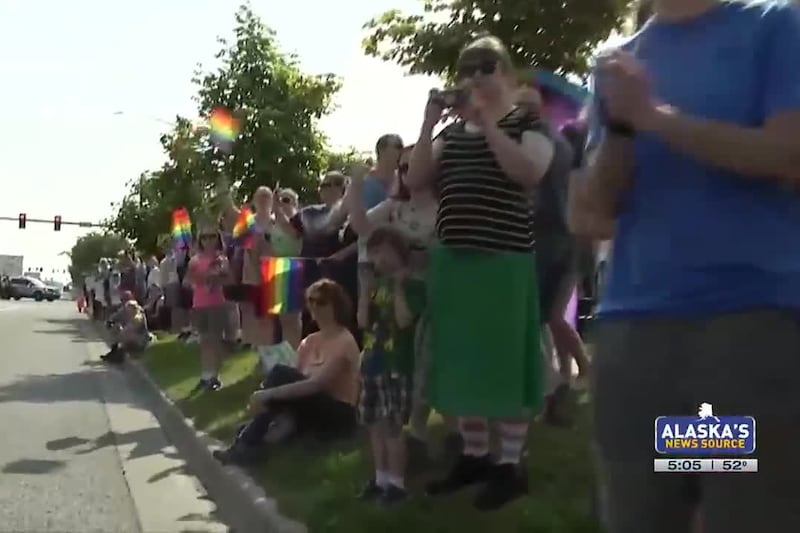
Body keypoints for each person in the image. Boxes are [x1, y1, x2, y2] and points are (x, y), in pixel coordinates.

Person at [570, 1, 800, 532]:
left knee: (739, 514)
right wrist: (624, 130)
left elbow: (788, 157)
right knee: (644, 517)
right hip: (637, 339)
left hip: (739, 334)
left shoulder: (773, 25)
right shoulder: (619, 63)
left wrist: (654, 117)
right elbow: (589, 215)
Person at [406, 34, 554, 510]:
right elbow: (415, 180)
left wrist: (488, 121)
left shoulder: (527, 121)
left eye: (485, 68)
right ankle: (474, 456)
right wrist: (430, 123)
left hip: (504, 260)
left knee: (505, 365)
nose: (474, 78)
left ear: (506, 73)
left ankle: (510, 466)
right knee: (462, 361)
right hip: (454, 260)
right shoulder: (453, 133)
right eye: (467, 70)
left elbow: (528, 172)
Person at [346, 150, 450, 466]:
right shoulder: (394, 207)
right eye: (402, 167)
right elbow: (361, 226)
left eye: (416, 165)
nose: (408, 171)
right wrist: (356, 185)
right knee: (404, 362)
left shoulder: (445, 209)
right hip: (396, 293)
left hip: (434, 293)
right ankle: (409, 439)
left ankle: (430, 436)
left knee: (429, 365)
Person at [212, 278, 360, 465]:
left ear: (336, 306)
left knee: (280, 374)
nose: (315, 307)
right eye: (311, 301)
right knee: (280, 379)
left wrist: (267, 394)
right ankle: (251, 443)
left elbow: (316, 385)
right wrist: (269, 398)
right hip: (312, 405)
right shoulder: (310, 341)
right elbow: (294, 382)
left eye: (322, 302)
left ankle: (246, 443)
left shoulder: (344, 340)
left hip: (338, 412)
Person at [355, 226, 426, 505]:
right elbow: (362, 321)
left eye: (383, 250)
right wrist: (364, 291)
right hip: (373, 362)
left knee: (393, 426)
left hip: (397, 364)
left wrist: (398, 288)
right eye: (374, 252)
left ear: (398, 251)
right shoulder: (375, 286)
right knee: (374, 423)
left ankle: (397, 484)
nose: (379, 258)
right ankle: (380, 478)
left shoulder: (413, 284)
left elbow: (405, 320)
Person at [220, 185, 276, 356]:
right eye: (260, 197)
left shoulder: (275, 219)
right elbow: (236, 236)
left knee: (268, 309)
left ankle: (268, 344)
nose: (263, 200)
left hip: (271, 268)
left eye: (266, 197)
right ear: (255, 200)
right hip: (250, 269)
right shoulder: (249, 220)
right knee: (249, 307)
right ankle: (250, 340)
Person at [187, 228, 231, 392]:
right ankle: (205, 375)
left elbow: (228, 279)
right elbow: (188, 280)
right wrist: (200, 277)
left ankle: (215, 376)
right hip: (199, 303)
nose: (208, 240)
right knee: (204, 340)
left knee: (215, 340)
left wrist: (217, 276)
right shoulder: (195, 260)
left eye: (212, 236)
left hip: (216, 303)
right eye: (204, 237)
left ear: (217, 238)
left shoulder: (221, 258)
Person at [269, 187, 304, 350]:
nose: (282, 203)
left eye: (286, 200)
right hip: (276, 267)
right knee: (282, 319)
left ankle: (296, 352)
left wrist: (276, 207)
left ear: (296, 203)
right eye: (280, 199)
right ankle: (286, 354)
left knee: (293, 318)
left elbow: (288, 229)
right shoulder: (274, 223)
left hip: (293, 266)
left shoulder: (299, 220)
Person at [101, 291, 150, 364]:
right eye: (123, 299)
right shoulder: (125, 309)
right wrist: (110, 322)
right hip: (129, 335)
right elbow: (114, 317)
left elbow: (131, 329)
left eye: (125, 299)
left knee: (125, 332)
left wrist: (121, 332)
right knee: (117, 329)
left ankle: (120, 354)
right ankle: (115, 351)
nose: (123, 301)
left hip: (140, 339)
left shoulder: (138, 316)